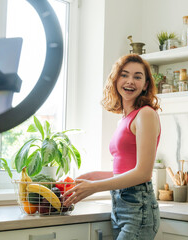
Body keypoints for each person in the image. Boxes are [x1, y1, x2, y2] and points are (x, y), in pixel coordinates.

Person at [63, 54, 161, 239]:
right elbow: (126, 171)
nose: (130, 81)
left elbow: (143, 174)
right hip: (121, 207)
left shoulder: (145, 114)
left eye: (138, 77)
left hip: (138, 208)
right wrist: (92, 177)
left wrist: (94, 186)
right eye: (124, 75)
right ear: (116, 79)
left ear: (146, 84)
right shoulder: (124, 119)